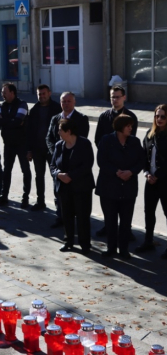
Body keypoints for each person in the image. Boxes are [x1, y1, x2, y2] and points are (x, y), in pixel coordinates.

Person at [96, 115, 144, 260]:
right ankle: (111, 248)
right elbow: (101, 161)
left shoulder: (135, 142)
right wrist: (116, 172)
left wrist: (131, 172)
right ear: (120, 127)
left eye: (132, 125)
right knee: (110, 221)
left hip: (128, 188)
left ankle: (123, 250)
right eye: (128, 125)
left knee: (125, 222)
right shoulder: (106, 140)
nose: (131, 128)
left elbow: (141, 161)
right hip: (109, 188)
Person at [94, 86, 138, 238]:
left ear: (124, 97)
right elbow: (98, 139)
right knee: (108, 201)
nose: (115, 99)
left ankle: (127, 230)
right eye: (112, 97)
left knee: (126, 203)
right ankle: (108, 226)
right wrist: (109, 158)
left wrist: (126, 168)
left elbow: (132, 142)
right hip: (108, 167)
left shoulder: (130, 117)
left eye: (117, 97)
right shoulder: (104, 116)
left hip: (125, 168)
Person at [50, 119, 95, 254]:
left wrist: (70, 176)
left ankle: (85, 244)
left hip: (82, 188)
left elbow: (87, 165)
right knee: (66, 216)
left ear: (68, 131)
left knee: (82, 217)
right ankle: (68, 241)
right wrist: (59, 175)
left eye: (60, 130)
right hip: (64, 188)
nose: (58, 132)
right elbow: (52, 166)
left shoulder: (84, 144)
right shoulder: (59, 145)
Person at [46, 92, 89, 228]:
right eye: (63, 101)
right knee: (59, 191)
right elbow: (49, 138)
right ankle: (61, 217)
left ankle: (76, 218)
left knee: (75, 192)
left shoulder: (81, 119)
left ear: (74, 102)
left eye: (68, 101)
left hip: (74, 164)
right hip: (58, 162)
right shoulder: (55, 119)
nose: (66, 104)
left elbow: (82, 141)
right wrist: (56, 153)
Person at [136, 104, 167, 259]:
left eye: (162, 116)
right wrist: (147, 173)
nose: (159, 119)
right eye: (157, 116)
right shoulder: (150, 134)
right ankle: (148, 241)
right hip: (151, 180)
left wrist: (158, 176)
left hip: (164, 182)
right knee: (149, 212)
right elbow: (144, 158)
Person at [27, 84, 61, 211]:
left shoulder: (57, 108)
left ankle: (58, 203)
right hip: (37, 149)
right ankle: (40, 201)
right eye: (39, 94)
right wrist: (29, 150)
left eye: (43, 93)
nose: (41, 96)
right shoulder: (34, 109)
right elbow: (29, 132)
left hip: (53, 150)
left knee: (55, 176)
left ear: (49, 93)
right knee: (39, 176)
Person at [0, 83, 31, 208]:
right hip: (8, 144)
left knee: (25, 170)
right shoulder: (2, 105)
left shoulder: (22, 104)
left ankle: (25, 198)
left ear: (12, 93)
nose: (2, 94)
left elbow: (18, 121)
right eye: (2, 92)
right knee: (6, 171)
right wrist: (11, 121)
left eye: (4, 92)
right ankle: (4, 196)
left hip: (22, 144)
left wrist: (6, 120)